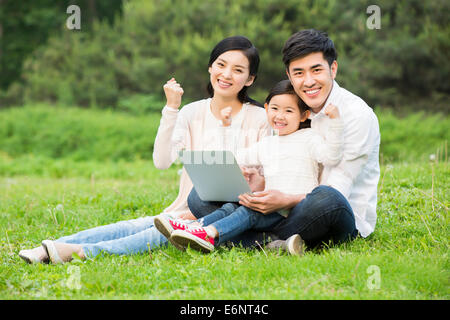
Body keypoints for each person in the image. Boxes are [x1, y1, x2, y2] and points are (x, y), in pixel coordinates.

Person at [18, 36, 270, 264]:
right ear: (210, 67)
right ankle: (47, 248)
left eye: (238, 70)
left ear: (249, 79)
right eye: (221, 65)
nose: (226, 74)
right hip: (185, 209)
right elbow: (162, 161)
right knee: (128, 226)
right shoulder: (192, 113)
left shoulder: (261, 118)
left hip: (226, 217)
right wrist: (172, 108)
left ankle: (76, 253)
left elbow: (269, 178)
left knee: (152, 233)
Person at [187, 29, 381, 253]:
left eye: (316, 70)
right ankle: (275, 243)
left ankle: (244, 237)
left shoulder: (356, 115)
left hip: (331, 215)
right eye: (298, 73)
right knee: (200, 195)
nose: (308, 81)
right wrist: (254, 182)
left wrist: (286, 200)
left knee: (326, 198)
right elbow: (275, 160)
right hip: (278, 213)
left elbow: (338, 189)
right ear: (289, 75)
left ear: (333, 69)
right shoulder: (290, 108)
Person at [155, 79, 344, 254]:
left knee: (247, 212)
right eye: (275, 108)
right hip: (267, 210)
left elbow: (331, 157)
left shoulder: (309, 138)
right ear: (267, 108)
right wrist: (226, 128)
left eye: (289, 111)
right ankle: (198, 229)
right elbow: (235, 157)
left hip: (295, 211)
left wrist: (335, 122)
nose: (280, 116)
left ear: (304, 115)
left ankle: (208, 234)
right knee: (230, 207)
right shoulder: (267, 144)